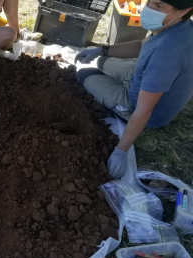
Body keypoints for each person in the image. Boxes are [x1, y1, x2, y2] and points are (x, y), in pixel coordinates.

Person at [74, 0, 193, 179]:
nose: (149, 9)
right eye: (150, 2)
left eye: (158, 6)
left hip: (144, 107)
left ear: (183, 11)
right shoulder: (178, 27)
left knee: (85, 74)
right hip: (144, 77)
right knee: (101, 61)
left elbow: (144, 110)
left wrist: (121, 150)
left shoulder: (165, 54)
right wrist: (101, 50)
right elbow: (143, 45)